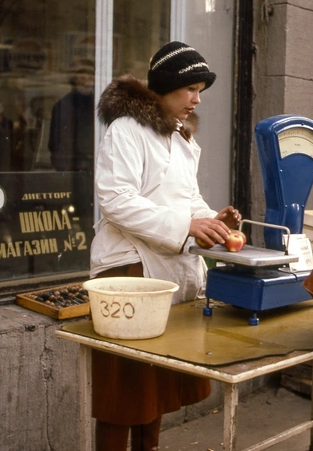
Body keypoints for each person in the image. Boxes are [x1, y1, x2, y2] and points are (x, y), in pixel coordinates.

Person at [89, 41, 242, 451]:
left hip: (164, 272)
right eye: (189, 89)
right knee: (124, 391)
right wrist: (187, 225)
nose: (195, 99)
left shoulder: (178, 138)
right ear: (165, 86)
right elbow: (117, 200)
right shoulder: (126, 130)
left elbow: (185, 199)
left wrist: (212, 220)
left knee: (153, 382)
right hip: (128, 273)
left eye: (200, 91)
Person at [48, 58, 95, 172]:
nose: (86, 82)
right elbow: (54, 144)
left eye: (90, 78)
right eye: (82, 78)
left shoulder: (100, 104)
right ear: (74, 80)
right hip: (70, 169)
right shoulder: (62, 106)